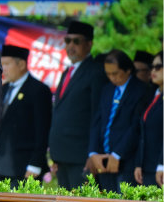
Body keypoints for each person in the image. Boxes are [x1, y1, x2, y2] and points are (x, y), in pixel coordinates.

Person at [47, 21, 106, 190]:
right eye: (68, 41)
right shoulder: (68, 72)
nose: (71, 46)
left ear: (89, 44)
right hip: (63, 156)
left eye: (76, 41)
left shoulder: (95, 71)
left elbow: (98, 116)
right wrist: (56, 155)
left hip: (82, 157)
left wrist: (92, 153)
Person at [86, 50, 150, 192]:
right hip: (103, 159)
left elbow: (136, 127)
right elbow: (97, 122)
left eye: (115, 73)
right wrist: (93, 152)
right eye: (108, 74)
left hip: (126, 161)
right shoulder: (107, 89)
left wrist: (118, 154)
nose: (111, 78)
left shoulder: (141, 90)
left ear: (127, 70)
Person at [0, 44, 52, 188]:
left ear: (22, 64)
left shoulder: (38, 90)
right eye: (2, 64)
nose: (3, 69)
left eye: (7, 64)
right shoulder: (4, 88)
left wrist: (35, 163)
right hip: (1, 166)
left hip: (25, 167)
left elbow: (42, 130)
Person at [134, 51, 163, 187]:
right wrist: (139, 164)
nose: (153, 70)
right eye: (152, 67)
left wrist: (162, 165)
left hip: (159, 169)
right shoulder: (153, 94)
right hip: (148, 168)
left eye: (158, 67)